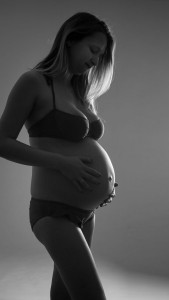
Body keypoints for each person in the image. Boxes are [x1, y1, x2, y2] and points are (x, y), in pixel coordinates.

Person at [0, 11, 118, 300]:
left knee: (64, 298)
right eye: (93, 50)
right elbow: (1, 142)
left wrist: (106, 183)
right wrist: (64, 165)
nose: (95, 60)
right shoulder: (35, 82)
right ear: (70, 40)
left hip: (86, 214)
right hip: (53, 213)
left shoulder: (81, 92)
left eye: (101, 55)